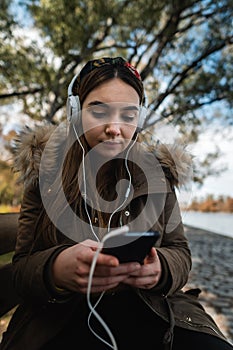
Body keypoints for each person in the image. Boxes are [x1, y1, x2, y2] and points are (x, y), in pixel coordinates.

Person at [0, 56, 232, 350]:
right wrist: (56, 269)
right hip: (60, 317)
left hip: (152, 308)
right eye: (99, 111)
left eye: (128, 115)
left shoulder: (158, 174)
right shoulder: (45, 171)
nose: (115, 128)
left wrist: (161, 268)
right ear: (76, 111)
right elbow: (21, 271)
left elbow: (180, 253)